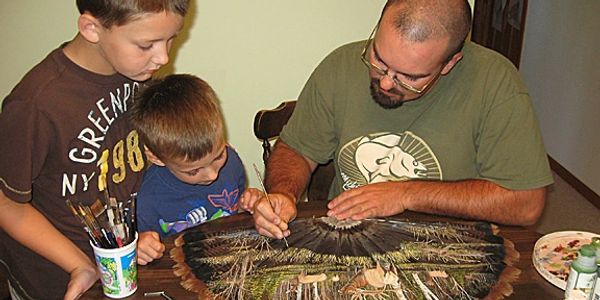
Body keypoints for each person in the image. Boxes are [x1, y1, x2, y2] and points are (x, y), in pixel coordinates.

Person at [243, 0, 554, 240]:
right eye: (379, 59)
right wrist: (283, 194)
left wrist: (405, 193)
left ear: (450, 63)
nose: (387, 83)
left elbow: (525, 204)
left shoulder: (496, 84)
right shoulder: (340, 65)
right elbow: (297, 149)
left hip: (448, 248)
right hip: (347, 238)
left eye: (410, 77)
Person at [0, 1, 190, 299]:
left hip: (126, 258)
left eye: (171, 39)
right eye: (146, 45)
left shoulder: (134, 70)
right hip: (63, 278)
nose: (163, 57)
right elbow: (7, 205)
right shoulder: (35, 106)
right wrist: (80, 266)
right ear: (92, 28)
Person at [130, 74, 264, 265]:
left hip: (231, 261)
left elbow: (234, 210)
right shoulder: (148, 198)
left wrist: (247, 204)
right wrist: (139, 246)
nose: (212, 174)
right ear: (156, 157)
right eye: (193, 171)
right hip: (183, 272)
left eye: (218, 156)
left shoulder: (231, 162)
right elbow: (141, 245)